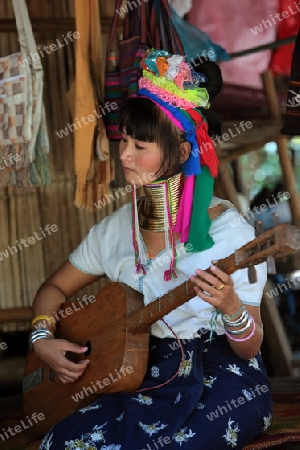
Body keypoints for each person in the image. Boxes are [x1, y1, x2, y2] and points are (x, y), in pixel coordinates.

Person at [32, 49, 272, 450]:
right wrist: (42, 338)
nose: (124, 153)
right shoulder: (113, 231)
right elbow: (53, 289)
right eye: (124, 139)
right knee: (63, 441)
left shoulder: (230, 234)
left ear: (180, 152)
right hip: (142, 371)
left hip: (225, 375)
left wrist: (231, 308)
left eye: (140, 145)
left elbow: (250, 345)